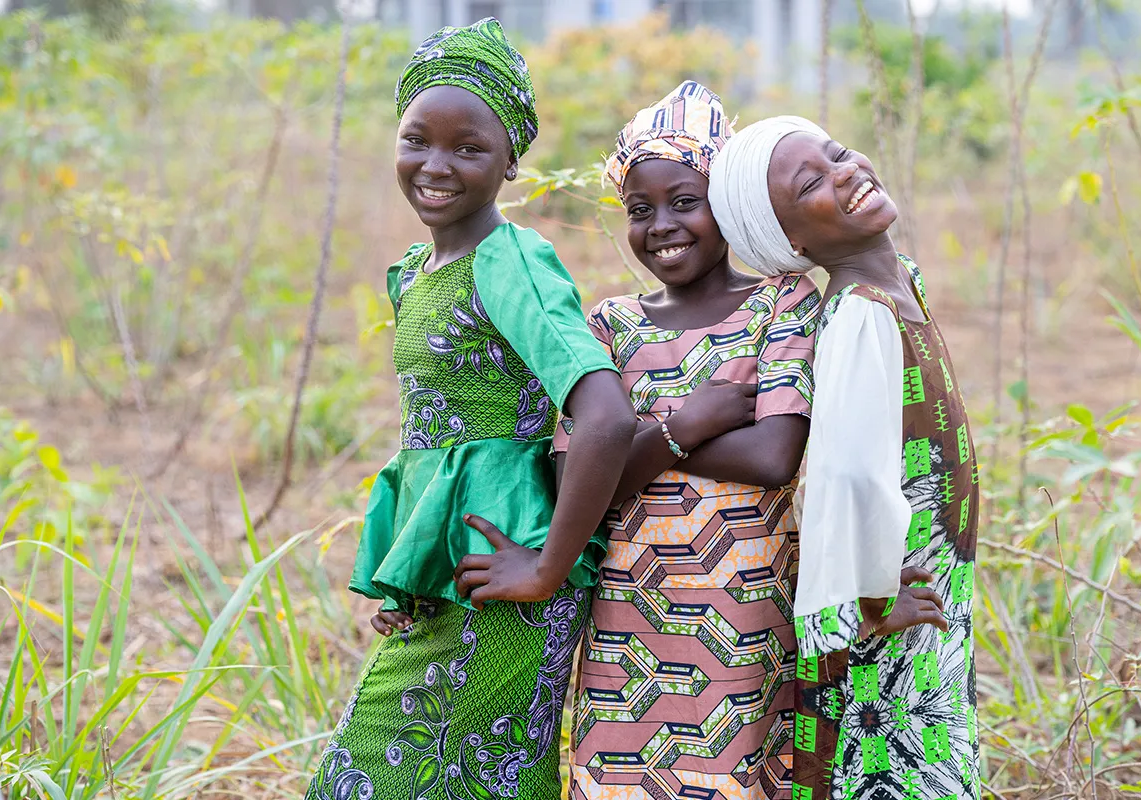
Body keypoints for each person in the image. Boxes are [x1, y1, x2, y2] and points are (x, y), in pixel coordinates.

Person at [306, 18, 635, 800]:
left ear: (511, 160)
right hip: (452, 580)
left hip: (509, 579)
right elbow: (432, 442)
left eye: (469, 147)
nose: (436, 165)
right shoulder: (418, 269)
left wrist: (548, 567)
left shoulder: (509, 259)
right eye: (417, 138)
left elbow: (606, 417)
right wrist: (407, 577)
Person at [556, 82, 822, 800]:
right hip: (625, 624)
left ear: (728, 205)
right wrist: (693, 421)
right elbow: (572, 482)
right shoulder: (609, 325)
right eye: (639, 211)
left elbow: (774, 458)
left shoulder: (782, 301)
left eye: (685, 201)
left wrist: (636, 439)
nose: (661, 225)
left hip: (745, 620)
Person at [709, 116, 978, 800]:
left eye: (835, 153)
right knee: (895, 769)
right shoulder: (862, 313)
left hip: (922, 588)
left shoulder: (899, 283)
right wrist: (869, 601)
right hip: (886, 604)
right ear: (792, 242)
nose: (845, 170)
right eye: (812, 183)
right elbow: (846, 474)